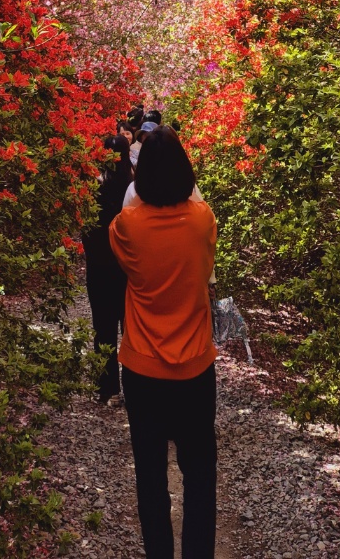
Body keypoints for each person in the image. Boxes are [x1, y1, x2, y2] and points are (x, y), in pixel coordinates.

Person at [110, 126, 217, 559]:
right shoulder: (202, 220)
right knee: (200, 475)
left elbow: (123, 261)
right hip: (194, 367)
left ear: (141, 175)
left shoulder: (127, 228)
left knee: (151, 477)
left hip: (142, 369)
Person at [82, 134, 132, 402]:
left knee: (103, 327)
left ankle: (107, 387)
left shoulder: (93, 187)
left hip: (99, 267)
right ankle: (135, 385)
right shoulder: (135, 187)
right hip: (128, 268)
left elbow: (85, 230)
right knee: (131, 328)